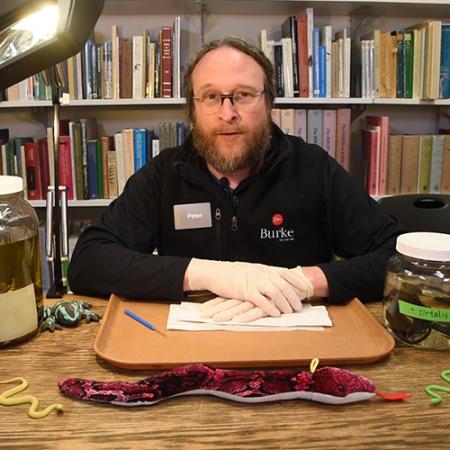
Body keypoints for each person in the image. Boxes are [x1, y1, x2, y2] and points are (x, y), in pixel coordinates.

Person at [68, 36, 402, 323]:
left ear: (268, 102)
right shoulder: (165, 175)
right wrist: (207, 274)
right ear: (193, 108)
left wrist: (307, 281)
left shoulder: (313, 168)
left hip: (299, 342)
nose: (227, 114)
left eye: (243, 95)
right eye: (211, 97)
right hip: (193, 342)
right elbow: (88, 262)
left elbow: (397, 257)